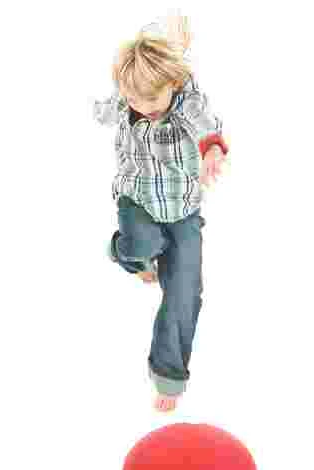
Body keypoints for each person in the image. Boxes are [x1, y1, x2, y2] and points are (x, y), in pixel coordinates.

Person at [92, 12, 229, 412]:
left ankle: (168, 375)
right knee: (143, 243)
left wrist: (212, 149)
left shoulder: (186, 100)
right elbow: (103, 111)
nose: (143, 108)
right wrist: (123, 90)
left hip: (182, 210)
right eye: (135, 100)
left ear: (174, 83)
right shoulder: (129, 96)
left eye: (153, 100)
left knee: (185, 292)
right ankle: (125, 252)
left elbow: (206, 124)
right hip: (137, 202)